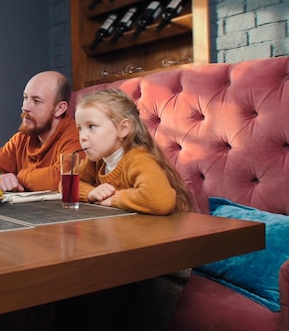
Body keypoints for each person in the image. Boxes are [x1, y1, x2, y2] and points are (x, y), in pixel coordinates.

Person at [61, 88, 195, 330]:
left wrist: (115, 198)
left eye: (92, 127)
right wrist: (90, 192)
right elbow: (71, 185)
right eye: (80, 128)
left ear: (123, 129)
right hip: (135, 247)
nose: (82, 136)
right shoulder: (97, 160)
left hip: (169, 256)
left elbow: (159, 199)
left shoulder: (137, 158)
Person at [0, 71, 82, 192]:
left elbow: (64, 178)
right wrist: (0, 177)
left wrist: (20, 176)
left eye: (36, 101)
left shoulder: (78, 136)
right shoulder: (21, 138)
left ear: (60, 108)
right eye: (25, 98)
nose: (25, 107)